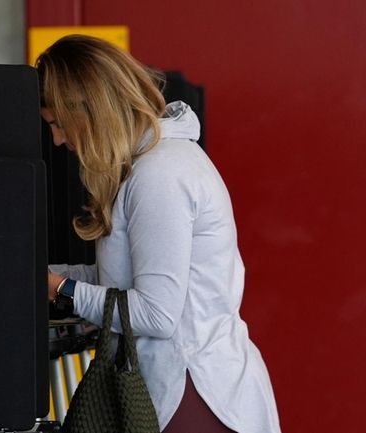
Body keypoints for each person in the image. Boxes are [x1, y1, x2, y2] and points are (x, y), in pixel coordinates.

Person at [38, 35, 281, 433]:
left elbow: (156, 314)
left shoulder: (161, 176)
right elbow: (118, 283)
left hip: (193, 394)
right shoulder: (148, 167)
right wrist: (38, 276)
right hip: (176, 391)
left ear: (89, 109)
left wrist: (59, 289)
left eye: (57, 124)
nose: (59, 140)